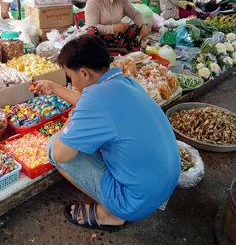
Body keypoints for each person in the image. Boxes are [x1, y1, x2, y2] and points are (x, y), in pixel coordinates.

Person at [32, 34, 180, 231]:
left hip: (134, 202)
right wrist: (56, 88)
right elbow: (96, 103)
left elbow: (61, 153)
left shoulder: (94, 100)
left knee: (53, 145)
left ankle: (110, 213)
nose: (71, 82)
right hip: (164, 185)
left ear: (84, 73)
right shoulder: (127, 82)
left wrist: (71, 122)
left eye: (70, 77)